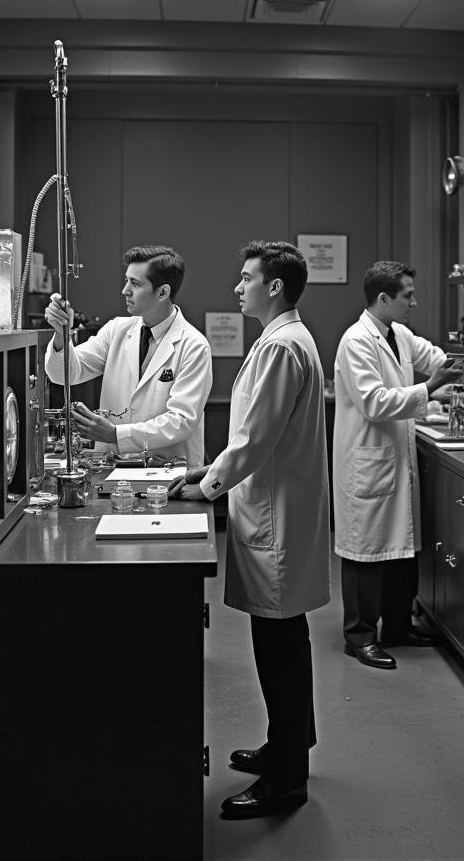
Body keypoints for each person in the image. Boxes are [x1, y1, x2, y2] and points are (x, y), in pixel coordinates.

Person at [168, 240, 329, 820]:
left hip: (276, 516)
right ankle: (287, 745)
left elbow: (254, 440)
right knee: (285, 639)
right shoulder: (283, 339)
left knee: (279, 644)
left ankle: (287, 778)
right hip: (275, 507)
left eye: (246, 278)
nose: (237, 288)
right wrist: (206, 471)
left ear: (275, 286)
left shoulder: (283, 347)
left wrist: (205, 487)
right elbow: (251, 435)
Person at [333, 260, 463, 670]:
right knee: (366, 553)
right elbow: (374, 402)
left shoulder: (399, 334)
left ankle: (398, 627)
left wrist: (449, 368)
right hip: (368, 459)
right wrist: (431, 387)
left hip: (395, 458)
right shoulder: (356, 341)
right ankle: (359, 636)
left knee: (402, 553)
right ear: (384, 298)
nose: (414, 302)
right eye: (408, 295)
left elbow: (435, 358)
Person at [44, 245, 212, 464]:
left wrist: (115, 434)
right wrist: (61, 334)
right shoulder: (117, 330)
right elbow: (64, 374)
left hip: (169, 474)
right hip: (114, 467)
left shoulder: (194, 346)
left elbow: (181, 421)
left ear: (163, 292)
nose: (125, 290)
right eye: (126, 281)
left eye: (135, 283)